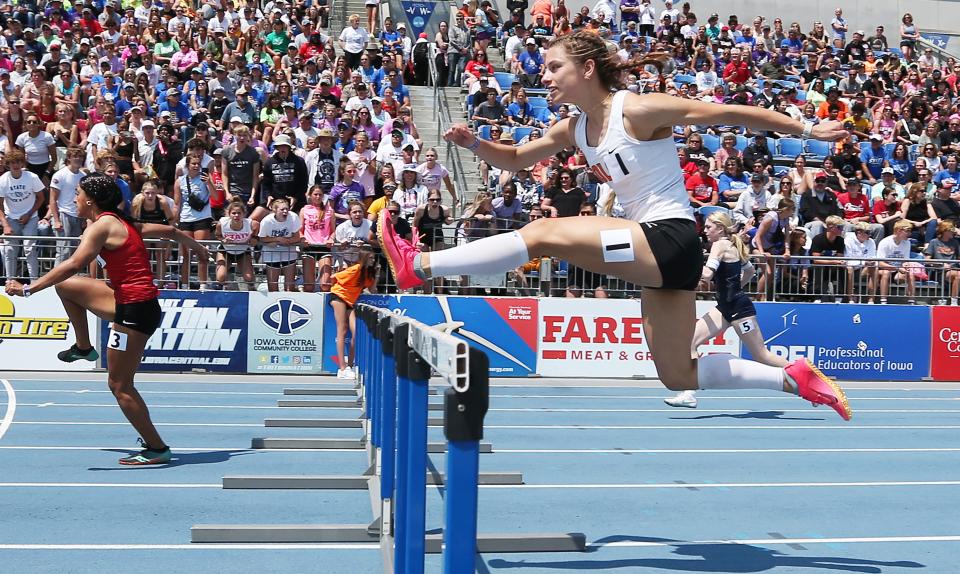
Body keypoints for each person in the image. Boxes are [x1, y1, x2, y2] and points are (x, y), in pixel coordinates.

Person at [379, 31, 852, 420]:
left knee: (544, 234)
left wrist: (807, 130)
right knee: (677, 374)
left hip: (669, 236)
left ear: (586, 70)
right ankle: (791, 378)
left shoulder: (637, 111)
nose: (544, 76)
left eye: (553, 68)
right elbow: (519, 157)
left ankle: (419, 265)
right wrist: (473, 143)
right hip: (663, 258)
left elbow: (729, 113)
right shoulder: (574, 128)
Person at [4, 175, 209, 465]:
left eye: (76, 193)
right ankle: (84, 346)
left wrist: (28, 289)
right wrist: (197, 247)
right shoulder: (122, 222)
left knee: (119, 385)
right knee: (68, 287)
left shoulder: (102, 226)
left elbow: (73, 263)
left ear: (90, 200)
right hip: (128, 299)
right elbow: (169, 230)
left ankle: (157, 448)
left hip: (135, 310)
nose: (73, 198)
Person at [664, 212, 787, 408]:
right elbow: (750, 271)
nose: (704, 231)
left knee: (761, 355)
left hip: (739, 308)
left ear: (720, 229)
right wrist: (735, 287)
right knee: (689, 343)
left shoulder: (720, 245)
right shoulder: (731, 244)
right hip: (724, 307)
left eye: (708, 227)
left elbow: (707, 274)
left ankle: (806, 373)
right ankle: (688, 393)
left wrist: (684, 264)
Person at [329, 250, 378, 379]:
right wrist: (339, 289)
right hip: (339, 297)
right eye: (370, 258)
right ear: (364, 258)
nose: (373, 260)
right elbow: (333, 277)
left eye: (374, 258)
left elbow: (372, 290)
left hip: (351, 301)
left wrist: (376, 275)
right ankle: (342, 368)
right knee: (342, 330)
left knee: (356, 332)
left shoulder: (368, 274)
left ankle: (350, 365)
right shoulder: (355, 269)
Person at [0, 150, 45, 283]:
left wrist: (29, 214)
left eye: (18, 161)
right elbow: (0, 205)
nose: (16, 165)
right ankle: (10, 281)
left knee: (30, 249)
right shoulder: (2, 180)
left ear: (22, 163)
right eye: (12, 162)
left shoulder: (32, 177)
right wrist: (5, 225)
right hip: (11, 218)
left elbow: (41, 198)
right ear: (8, 164)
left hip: (30, 217)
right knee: (9, 251)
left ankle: (34, 282)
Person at [258, 197, 301, 292]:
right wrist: (278, 239)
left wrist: (286, 241)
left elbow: (297, 237)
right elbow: (262, 238)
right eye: (282, 209)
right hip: (271, 254)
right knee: (273, 287)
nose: (285, 211)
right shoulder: (267, 221)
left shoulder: (293, 217)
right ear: (274, 210)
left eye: (287, 208)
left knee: (290, 287)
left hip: (289, 252)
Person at [215, 199, 258, 290]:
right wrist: (223, 239)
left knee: (249, 277)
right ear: (229, 214)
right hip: (226, 250)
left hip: (242, 251)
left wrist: (254, 238)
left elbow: (257, 227)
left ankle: (251, 290)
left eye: (239, 213)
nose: (236, 215)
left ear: (244, 214)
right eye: (234, 213)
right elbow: (218, 235)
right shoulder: (222, 223)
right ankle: (229, 285)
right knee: (221, 276)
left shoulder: (250, 223)